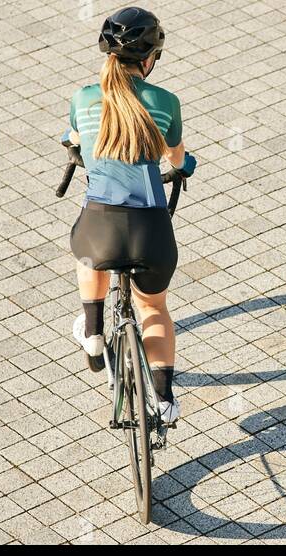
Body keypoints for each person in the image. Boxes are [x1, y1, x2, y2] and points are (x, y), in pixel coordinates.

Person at [66, 7, 195, 431]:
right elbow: (176, 158)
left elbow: (75, 141)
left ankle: (93, 329)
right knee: (154, 307)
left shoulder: (83, 99)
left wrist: (75, 149)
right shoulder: (166, 103)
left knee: (87, 252)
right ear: (149, 58)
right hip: (150, 231)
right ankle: (163, 397)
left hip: (101, 228)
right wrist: (183, 166)